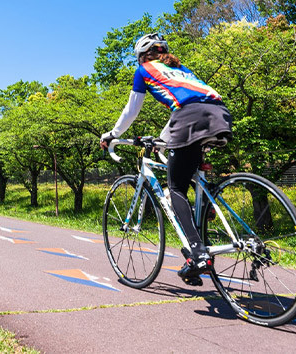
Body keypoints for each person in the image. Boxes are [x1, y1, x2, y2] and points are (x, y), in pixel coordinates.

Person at [99, 33, 233, 286]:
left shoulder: (144, 69)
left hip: (189, 118)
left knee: (175, 188)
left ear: (141, 56)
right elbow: (188, 106)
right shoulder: (180, 69)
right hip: (219, 115)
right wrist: (161, 139)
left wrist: (113, 134)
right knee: (181, 165)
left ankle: (197, 252)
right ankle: (205, 209)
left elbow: (132, 110)